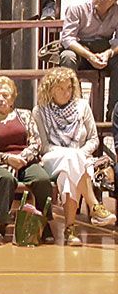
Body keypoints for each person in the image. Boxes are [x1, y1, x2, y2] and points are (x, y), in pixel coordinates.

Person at [32, 68, 116, 245]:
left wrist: (78, 154)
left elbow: (93, 140)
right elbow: (43, 146)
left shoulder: (82, 107)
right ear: (50, 89)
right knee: (72, 161)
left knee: (68, 173)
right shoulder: (39, 111)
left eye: (69, 88)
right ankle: (94, 207)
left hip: (79, 158)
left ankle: (71, 232)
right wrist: (74, 154)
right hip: (51, 157)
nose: (66, 92)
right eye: (61, 89)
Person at [0, 76, 54, 246]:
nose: (1, 99)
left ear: (12, 97)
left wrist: (21, 158)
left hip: (25, 160)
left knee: (42, 179)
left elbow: (36, 142)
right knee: (6, 179)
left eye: (5, 95)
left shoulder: (25, 115)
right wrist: (7, 159)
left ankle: (44, 223)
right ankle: (0, 226)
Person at [58, 0, 118, 101]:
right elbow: (68, 38)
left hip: (103, 52)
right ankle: (73, 106)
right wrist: (89, 56)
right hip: (80, 51)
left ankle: (113, 112)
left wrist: (108, 53)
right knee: (67, 57)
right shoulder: (77, 7)